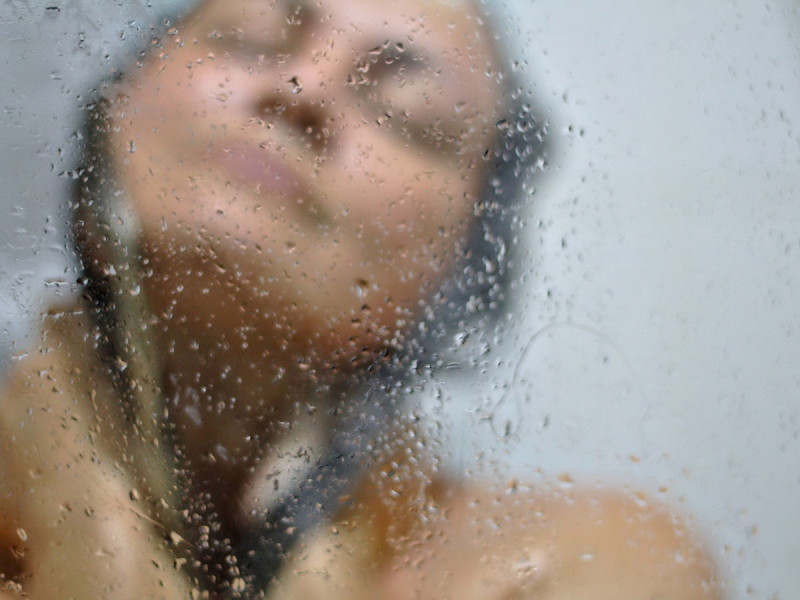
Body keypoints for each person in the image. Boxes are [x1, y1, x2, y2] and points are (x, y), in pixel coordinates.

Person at [0, 0, 720, 598]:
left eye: (404, 112)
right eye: (249, 37)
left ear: (459, 263)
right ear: (115, 106)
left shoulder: (564, 563)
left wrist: (91, 518)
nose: (303, 90)